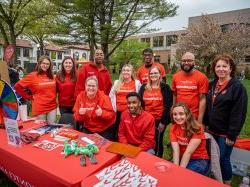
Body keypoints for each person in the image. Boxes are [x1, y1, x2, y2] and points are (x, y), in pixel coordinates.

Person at [204, 54, 248, 185]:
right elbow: (208, 106)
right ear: (214, 68)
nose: (221, 69)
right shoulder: (212, 85)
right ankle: (213, 178)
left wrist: (232, 134)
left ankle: (226, 182)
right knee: (212, 156)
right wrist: (205, 123)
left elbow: (239, 112)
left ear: (231, 68)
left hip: (226, 133)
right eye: (218, 66)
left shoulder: (237, 87)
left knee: (223, 158)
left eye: (224, 66)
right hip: (211, 130)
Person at [139, 66, 172, 157]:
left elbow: (167, 106)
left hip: (159, 120)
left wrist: (163, 122)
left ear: (160, 75)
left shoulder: (165, 88)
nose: (153, 75)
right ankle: (147, 157)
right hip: (146, 120)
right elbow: (141, 105)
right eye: (151, 73)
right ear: (149, 75)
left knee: (158, 140)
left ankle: (158, 157)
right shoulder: (143, 87)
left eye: (155, 73)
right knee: (147, 139)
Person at [14, 56, 57, 123]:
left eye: (47, 64)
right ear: (39, 64)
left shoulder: (52, 76)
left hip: (52, 107)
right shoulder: (33, 76)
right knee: (41, 129)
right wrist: (28, 97)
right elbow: (17, 86)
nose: (45, 65)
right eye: (43, 63)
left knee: (52, 127)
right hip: (40, 107)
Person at [170, 103, 209, 175]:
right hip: (182, 157)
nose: (178, 117)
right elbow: (176, 150)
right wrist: (176, 168)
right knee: (171, 172)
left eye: (181, 114)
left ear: (187, 114)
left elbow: (188, 153)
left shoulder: (197, 128)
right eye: (175, 114)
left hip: (198, 159)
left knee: (184, 175)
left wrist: (179, 172)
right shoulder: (173, 128)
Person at [73, 76, 116, 140]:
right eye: (89, 85)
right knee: (84, 144)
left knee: (100, 147)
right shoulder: (80, 97)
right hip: (88, 128)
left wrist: (102, 113)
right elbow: (76, 117)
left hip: (104, 129)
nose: (91, 88)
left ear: (97, 87)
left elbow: (112, 115)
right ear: (85, 86)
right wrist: (80, 113)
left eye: (93, 86)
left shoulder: (104, 98)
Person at [171, 52, 208, 123]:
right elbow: (174, 95)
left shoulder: (202, 77)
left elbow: (202, 99)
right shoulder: (175, 77)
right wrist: (174, 112)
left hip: (194, 116)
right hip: (179, 115)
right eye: (184, 61)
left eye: (189, 60)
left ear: (194, 62)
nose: (186, 62)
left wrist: (200, 120)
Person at [109, 64, 141, 140]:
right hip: (118, 113)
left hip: (130, 112)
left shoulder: (137, 83)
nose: (125, 72)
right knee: (117, 132)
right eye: (124, 70)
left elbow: (139, 98)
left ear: (132, 72)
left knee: (129, 132)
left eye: (128, 70)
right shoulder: (117, 82)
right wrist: (113, 109)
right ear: (121, 72)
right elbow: (111, 96)